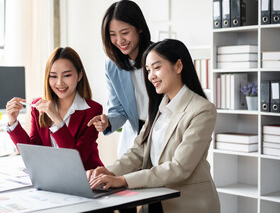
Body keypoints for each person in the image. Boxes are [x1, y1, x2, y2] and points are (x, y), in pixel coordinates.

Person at [87, 39, 220, 213]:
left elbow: (179, 168)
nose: (150, 76)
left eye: (157, 68)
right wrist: (109, 173)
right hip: (154, 201)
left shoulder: (202, 110)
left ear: (178, 66)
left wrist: (123, 180)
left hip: (188, 204)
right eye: (148, 70)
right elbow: (138, 152)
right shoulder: (159, 108)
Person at [5, 47, 104, 170]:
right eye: (53, 76)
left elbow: (77, 161)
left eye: (67, 75)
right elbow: (34, 152)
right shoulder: (38, 106)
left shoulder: (93, 110)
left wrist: (57, 119)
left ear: (79, 75)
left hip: (88, 178)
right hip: (52, 177)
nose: (59, 83)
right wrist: (13, 122)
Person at [87, 0, 152, 158]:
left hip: (162, 134)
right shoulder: (112, 66)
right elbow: (118, 110)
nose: (120, 40)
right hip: (134, 141)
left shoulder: (159, 57)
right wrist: (107, 121)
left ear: (139, 28)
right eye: (112, 35)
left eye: (125, 33)